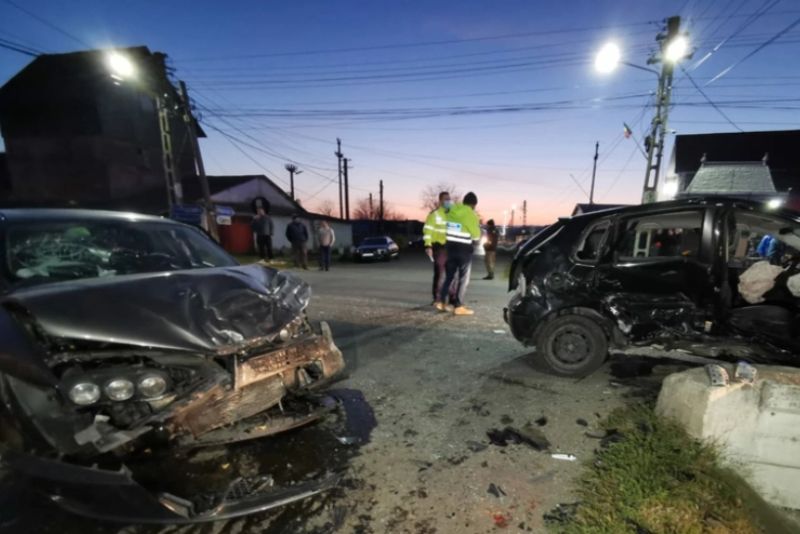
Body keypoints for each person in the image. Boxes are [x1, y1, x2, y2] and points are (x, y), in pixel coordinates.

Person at [437, 192, 481, 316]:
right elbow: (476, 236)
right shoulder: (471, 214)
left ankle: (442, 302)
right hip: (464, 250)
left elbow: (445, 208)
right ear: (474, 205)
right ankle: (458, 306)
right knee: (463, 278)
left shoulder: (451, 210)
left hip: (450, 247)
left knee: (449, 277)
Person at [424, 191, 454, 306]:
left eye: (449, 199)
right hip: (439, 248)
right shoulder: (434, 214)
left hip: (451, 248)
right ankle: (437, 298)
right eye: (446, 199)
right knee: (439, 274)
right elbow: (428, 231)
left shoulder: (453, 214)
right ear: (440, 201)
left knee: (451, 273)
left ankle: (453, 297)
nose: (448, 201)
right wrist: (428, 246)